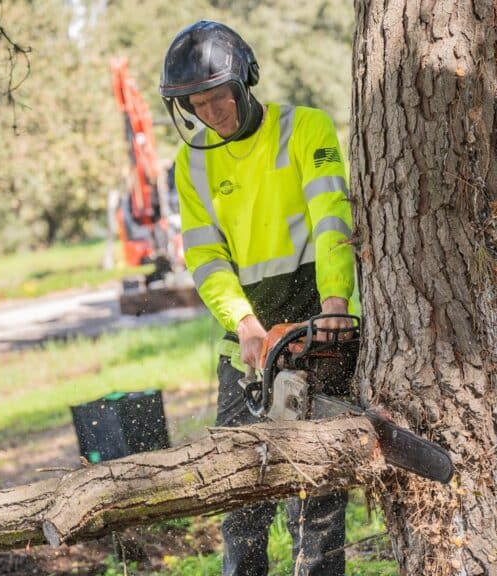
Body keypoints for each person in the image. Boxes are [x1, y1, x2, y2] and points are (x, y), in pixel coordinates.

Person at [159, 21, 356, 576]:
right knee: (242, 495)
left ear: (246, 81)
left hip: (319, 328)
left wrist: (335, 303)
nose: (212, 113)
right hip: (246, 346)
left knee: (319, 497)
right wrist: (243, 323)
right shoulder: (192, 163)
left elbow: (330, 217)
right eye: (198, 104)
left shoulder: (305, 128)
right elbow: (206, 257)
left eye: (219, 97)